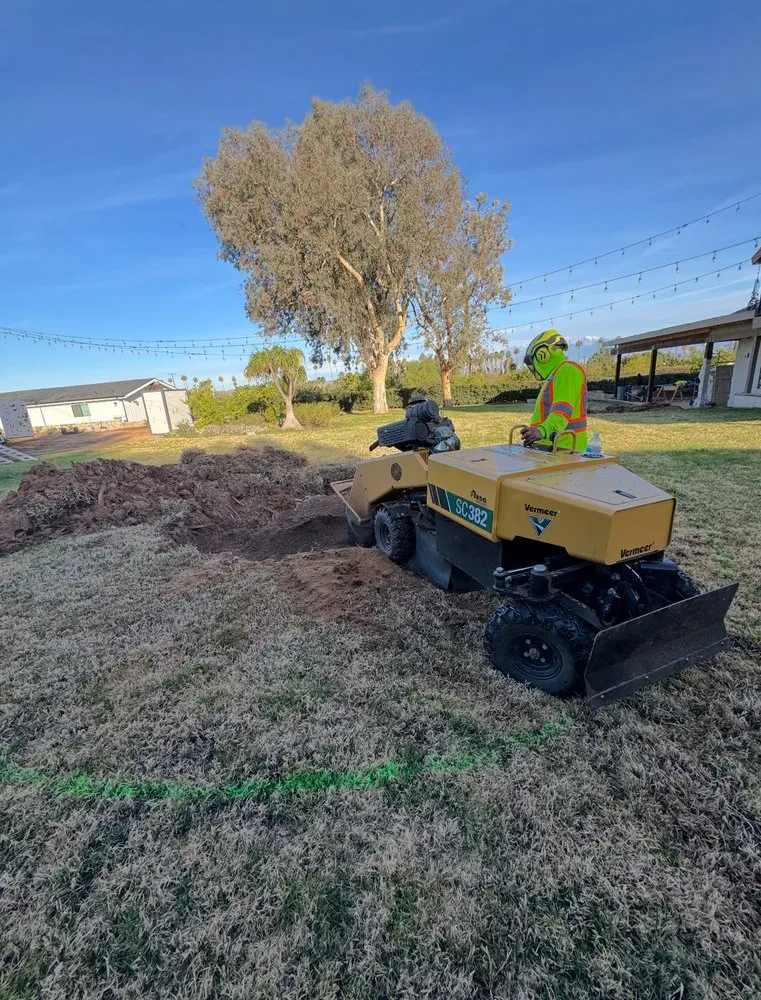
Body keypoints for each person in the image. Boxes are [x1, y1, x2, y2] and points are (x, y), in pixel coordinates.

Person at [520, 329, 588, 452]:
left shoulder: (568, 371)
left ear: (543, 354)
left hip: (565, 448)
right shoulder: (555, 376)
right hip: (553, 447)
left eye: (532, 361)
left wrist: (541, 431)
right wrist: (534, 432)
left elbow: (561, 413)